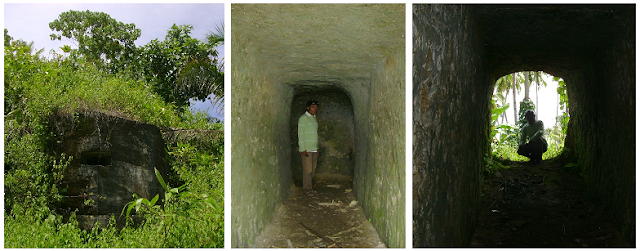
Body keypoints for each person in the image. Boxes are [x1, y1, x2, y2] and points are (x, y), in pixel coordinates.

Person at [298, 100, 320, 196]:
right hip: (306, 149)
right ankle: (307, 189)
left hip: (314, 148)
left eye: (316, 107)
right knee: (308, 170)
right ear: (308, 107)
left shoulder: (314, 118)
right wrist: (302, 149)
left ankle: (309, 187)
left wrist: (317, 147)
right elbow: (300, 134)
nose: (315, 109)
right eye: (313, 107)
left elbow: (315, 134)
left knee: (313, 169)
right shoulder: (303, 119)